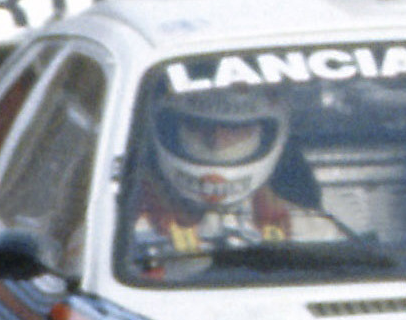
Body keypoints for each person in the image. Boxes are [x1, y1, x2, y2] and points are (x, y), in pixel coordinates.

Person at [127, 87, 347, 274]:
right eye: (199, 128)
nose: (217, 143)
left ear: (266, 136)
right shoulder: (125, 229)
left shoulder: (314, 231)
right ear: (171, 131)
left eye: (235, 130)